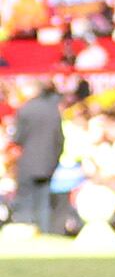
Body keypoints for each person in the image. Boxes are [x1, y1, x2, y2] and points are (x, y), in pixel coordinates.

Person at [6, 81, 65, 234]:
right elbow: (60, 139)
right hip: (48, 163)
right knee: (43, 201)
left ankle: (26, 230)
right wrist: (54, 160)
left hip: (27, 163)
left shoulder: (25, 109)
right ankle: (44, 232)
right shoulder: (53, 110)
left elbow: (18, 138)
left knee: (26, 199)